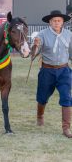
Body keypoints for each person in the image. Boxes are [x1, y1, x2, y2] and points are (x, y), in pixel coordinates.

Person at [31, 10, 72, 138]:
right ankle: (40, 116)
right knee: (42, 97)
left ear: (63, 22)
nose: (56, 23)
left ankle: (66, 128)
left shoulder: (69, 34)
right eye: (54, 20)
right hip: (47, 70)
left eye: (59, 20)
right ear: (50, 22)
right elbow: (33, 55)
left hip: (64, 70)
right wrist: (35, 46)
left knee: (66, 97)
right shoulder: (42, 34)